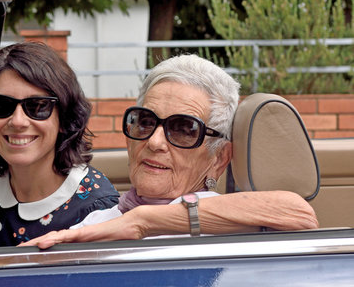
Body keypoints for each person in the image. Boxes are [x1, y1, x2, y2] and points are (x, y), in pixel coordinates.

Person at [21, 54, 319, 249]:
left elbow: (300, 215)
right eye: (146, 122)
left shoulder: (237, 224)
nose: (154, 142)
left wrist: (145, 221)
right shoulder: (94, 225)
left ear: (218, 159)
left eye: (183, 129)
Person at [0, 42, 119, 248]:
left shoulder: (98, 208)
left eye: (38, 106)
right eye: (1, 105)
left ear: (64, 119)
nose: (18, 121)